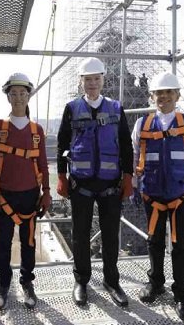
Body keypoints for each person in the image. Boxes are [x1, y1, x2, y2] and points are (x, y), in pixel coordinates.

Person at [131, 71, 184, 322]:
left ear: (177, 95)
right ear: (152, 96)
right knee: (154, 242)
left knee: (182, 246)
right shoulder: (143, 125)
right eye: (159, 93)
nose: (164, 97)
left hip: (182, 196)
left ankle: (181, 295)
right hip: (153, 197)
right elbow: (135, 157)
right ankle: (156, 284)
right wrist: (135, 186)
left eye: (169, 92)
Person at [56, 57, 134, 307]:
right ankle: (81, 281)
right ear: (81, 82)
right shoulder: (72, 108)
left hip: (110, 184)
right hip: (81, 183)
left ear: (103, 80)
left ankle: (112, 281)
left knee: (111, 235)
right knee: (80, 234)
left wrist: (128, 177)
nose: (92, 84)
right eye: (87, 80)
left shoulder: (115, 108)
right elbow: (62, 143)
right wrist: (60, 176)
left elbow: (125, 144)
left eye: (96, 79)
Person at [0, 73, 51, 310]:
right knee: (3, 241)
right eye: (14, 93)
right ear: (8, 96)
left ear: (28, 95)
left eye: (23, 93)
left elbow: (42, 162)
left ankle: (27, 283)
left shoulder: (36, 130)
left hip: (30, 195)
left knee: (29, 242)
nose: (18, 97)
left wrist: (47, 191)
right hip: (5, 195)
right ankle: (4, 285)